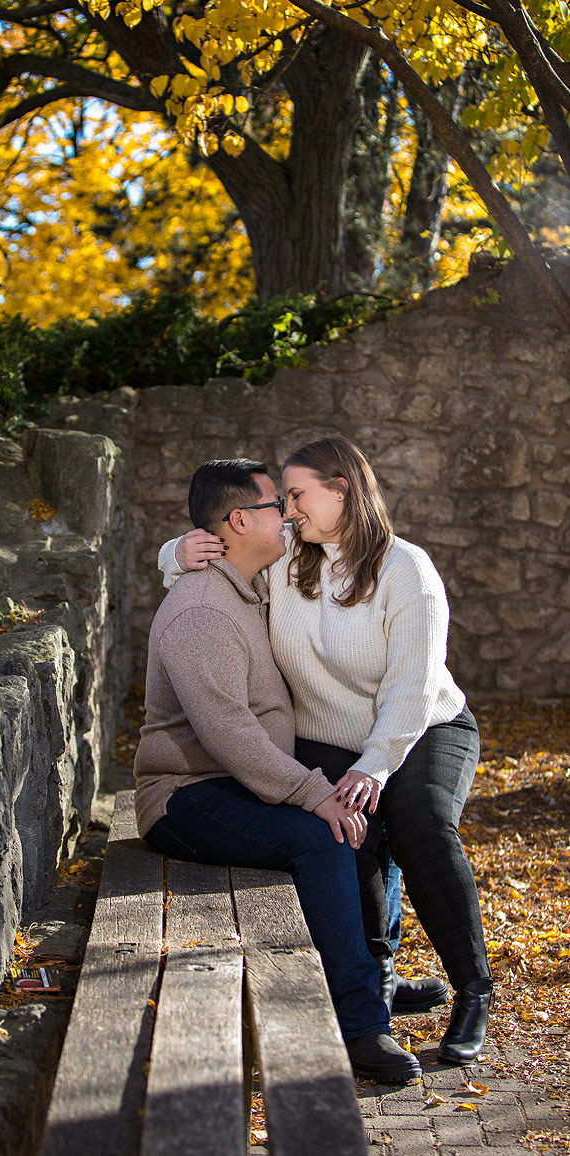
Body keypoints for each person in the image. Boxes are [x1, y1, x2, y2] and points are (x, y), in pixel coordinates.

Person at [164, 437, 492, 1066]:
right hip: (328, 738)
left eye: (297, 494)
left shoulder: (407, 570)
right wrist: (176, 553)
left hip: (423, 726)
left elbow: (411, 686)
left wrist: (376, 764)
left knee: (420, 820)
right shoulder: (290, 562)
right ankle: (377, 985)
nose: (286, 511)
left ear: (341, 489)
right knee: (350, 832)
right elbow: (229, 547)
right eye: (281, 499)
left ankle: (473, 988)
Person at [136, 457, 421, 1083]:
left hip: (237, 780)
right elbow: (228, 734)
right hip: (184, 794)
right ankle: (360, 1028)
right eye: (276, 506)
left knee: (364, 814)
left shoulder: (256, 580)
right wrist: (310, 794)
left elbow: (318, 528)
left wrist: (170, 552)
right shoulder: (201, 612)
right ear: (239, 520)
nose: (289, 516)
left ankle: (374, 982)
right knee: (322, 837)